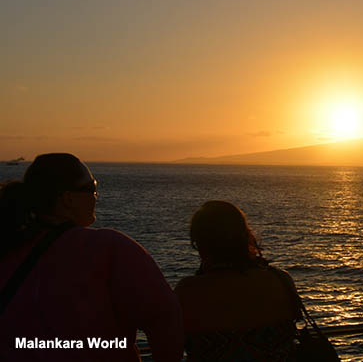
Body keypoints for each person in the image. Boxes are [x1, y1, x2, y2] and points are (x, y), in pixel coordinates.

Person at [0, 153, 183, 361]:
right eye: (92, 188)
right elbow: (165, 319)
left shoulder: (8, 248)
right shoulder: (109, 248)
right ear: (67, 198)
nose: (96, 196)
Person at [175, 201, 299, 361]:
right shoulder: (281, 281)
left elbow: (169, 348)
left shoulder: (189, 291)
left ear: (201, 243)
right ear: (245, 237)